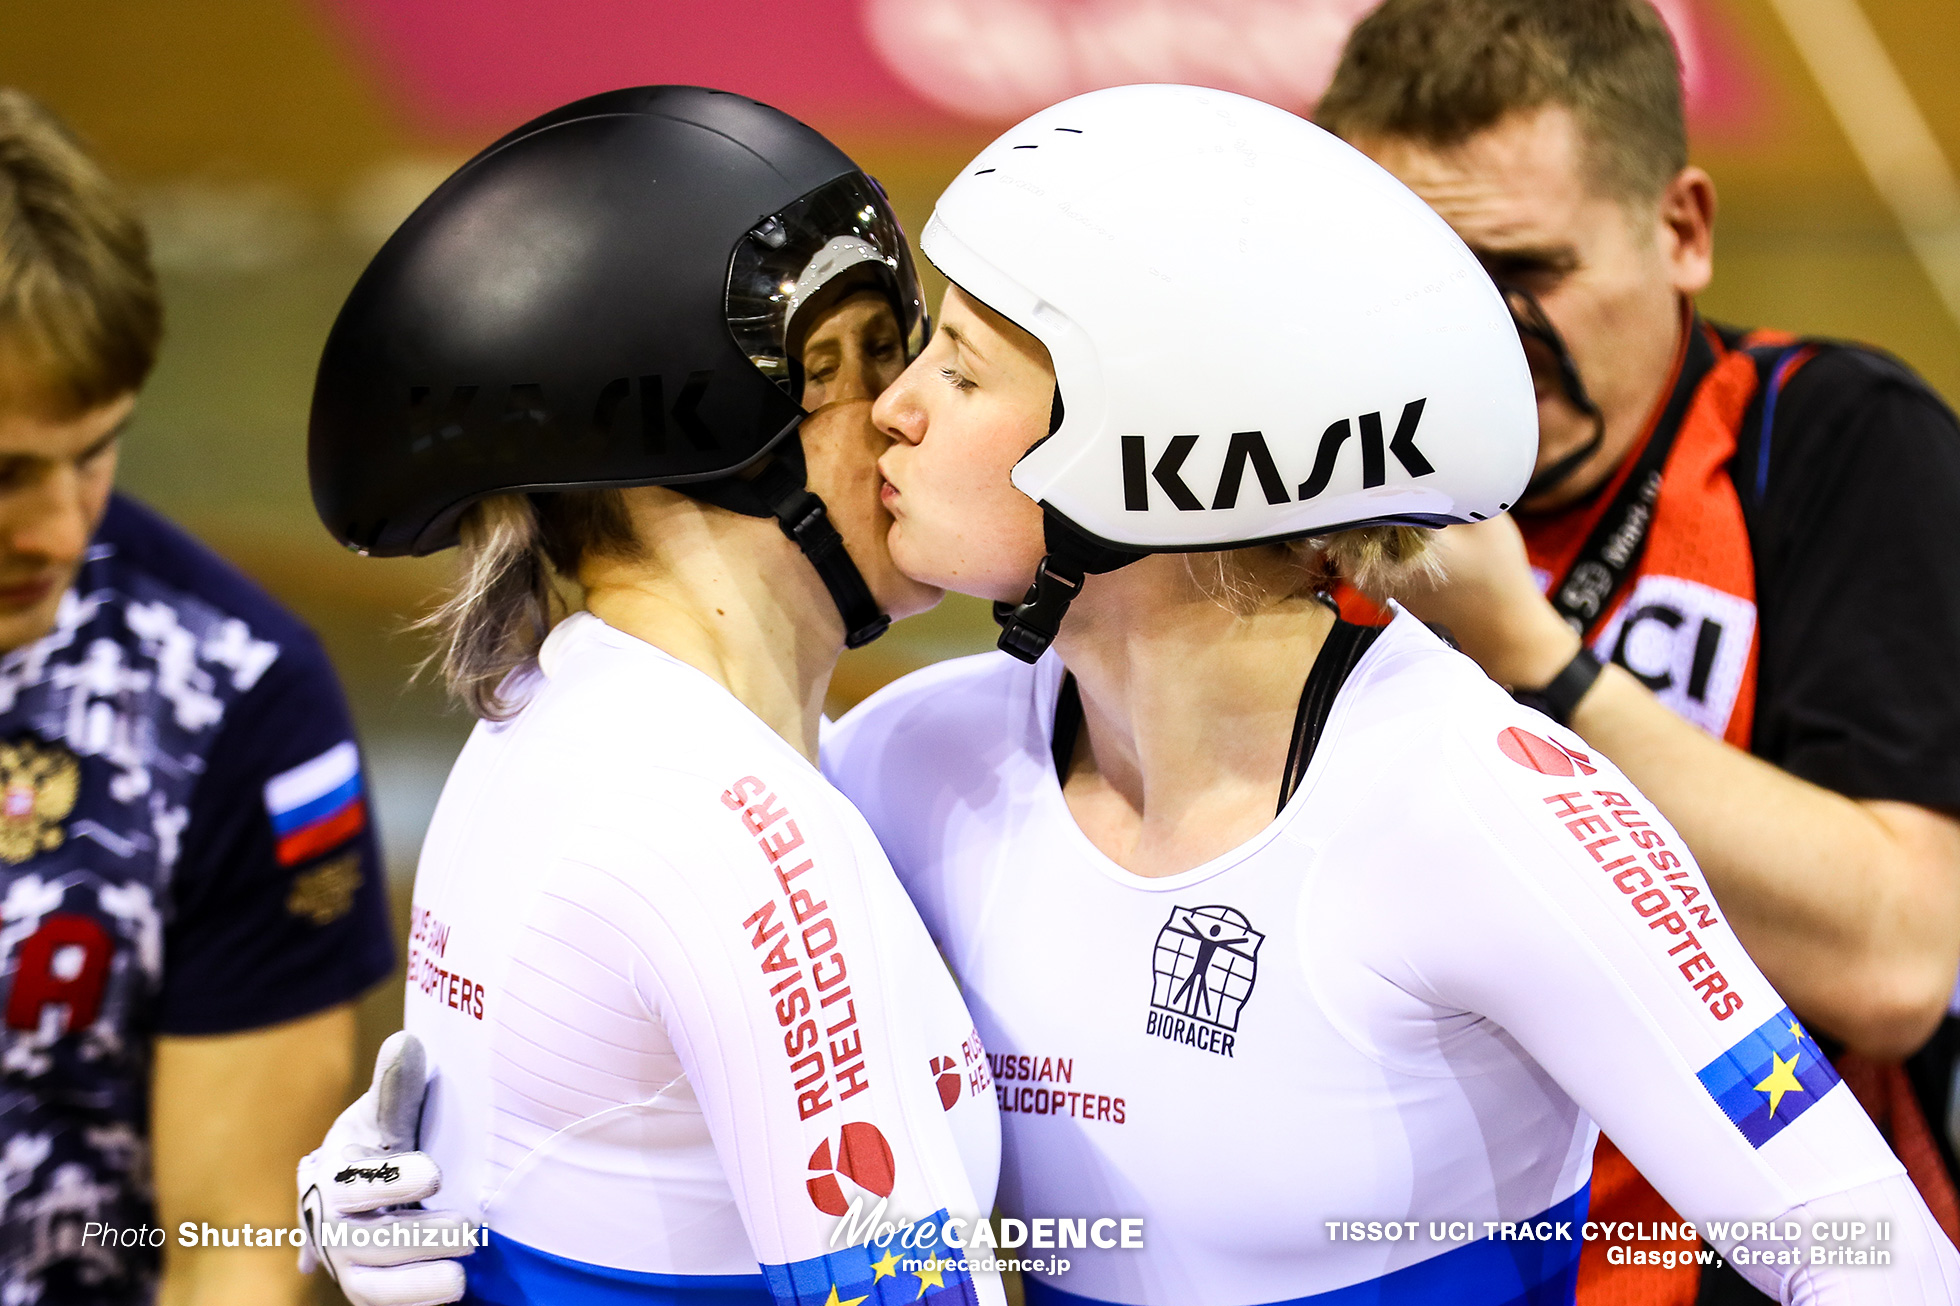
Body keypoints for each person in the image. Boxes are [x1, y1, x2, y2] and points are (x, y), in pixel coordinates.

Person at [819, 83, 1960, 1302]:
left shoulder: (1484, 812)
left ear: (1146, 450)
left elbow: (1876, 1259)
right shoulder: (903, 755)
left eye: (965, 368)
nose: (894, 406)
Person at [300, 86, 1003, 1306]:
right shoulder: (723, 827)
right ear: (705, 446)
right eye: (854, 364)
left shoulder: (559, 715)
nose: (903, 410)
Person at [1313, 1, 1960, 1297]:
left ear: (1683, 231)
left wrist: (1530, 653)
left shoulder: (1829, 441)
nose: (1480, 338)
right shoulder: (1300, 484)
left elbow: (1897, 960)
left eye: (1529, 271)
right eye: (1425, 277)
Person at [0, 89, 394, 1304]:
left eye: (98, 450)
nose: (64, 528)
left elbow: (237, 1247)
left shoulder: (238, 694)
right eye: (8, 472)